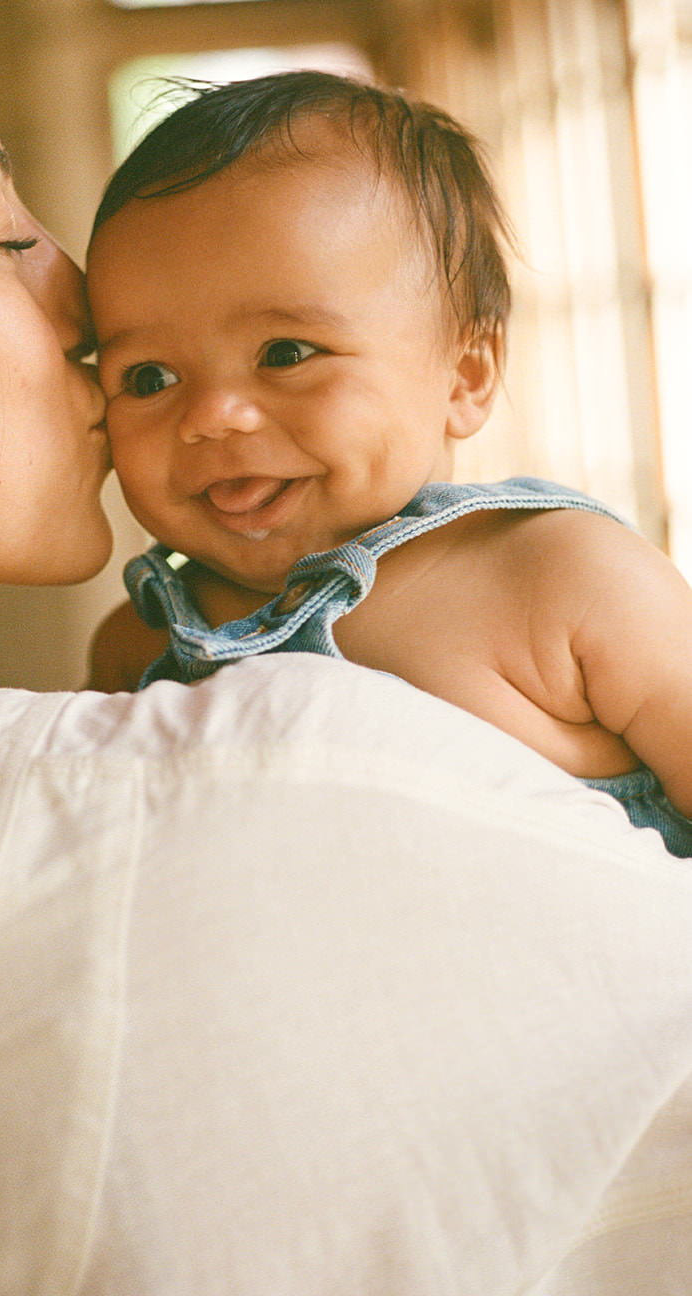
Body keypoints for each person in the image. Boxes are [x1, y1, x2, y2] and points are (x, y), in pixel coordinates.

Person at [0, 0, 692, 1296]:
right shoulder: (243, 777)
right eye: (5, 234)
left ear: (465, 368)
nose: (82, 303)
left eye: (289, 351)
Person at [86, 72, 692, 857]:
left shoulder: (562, 579)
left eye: (285, 353)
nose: (209, 416)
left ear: (464, 375)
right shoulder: (138, 646)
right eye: (148, 379)